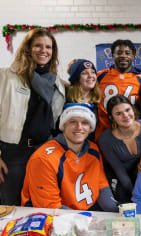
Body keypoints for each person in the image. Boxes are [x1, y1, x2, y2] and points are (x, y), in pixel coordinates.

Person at [0, 28, 66, 205]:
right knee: (11, 206)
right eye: (38, 45)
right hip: (13, 154)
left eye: (48, 47)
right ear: (27, 48)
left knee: (41, 205)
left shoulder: (56, 82)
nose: (44, 50)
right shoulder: (7, 77)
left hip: (44, 152)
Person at [21, 103, 118, 211]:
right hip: (49, 216)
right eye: (73, 122)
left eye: (85, 122)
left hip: (86, 213)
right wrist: (84, 220)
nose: (79, 127)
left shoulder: (93, 149)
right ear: (63, 125)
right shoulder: (43, 159)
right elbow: (49, 207)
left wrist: (116, 212)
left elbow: (101, 185)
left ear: (90, 127)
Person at [98, 95, 141, 203]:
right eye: (118, 113)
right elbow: (121, 173)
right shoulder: (105, 140)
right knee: (123, 202)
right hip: (125, 180)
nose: (125, 115)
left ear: (133, 109)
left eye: (127, 110)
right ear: (111, 118)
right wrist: (137, 197)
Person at [95, 39, 141, 140]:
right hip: (104, 133)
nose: (123, 56)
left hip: (132, 134)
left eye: (127, 53)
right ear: (112, 55)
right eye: (119, 53)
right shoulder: (100, 76)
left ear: (133, 56)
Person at [66, 59, 101, 140]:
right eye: (84, 73)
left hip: (92, 146)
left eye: (93, 72)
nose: (90, 76)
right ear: (76, 78)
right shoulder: (66, 98)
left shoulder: (98, 99)